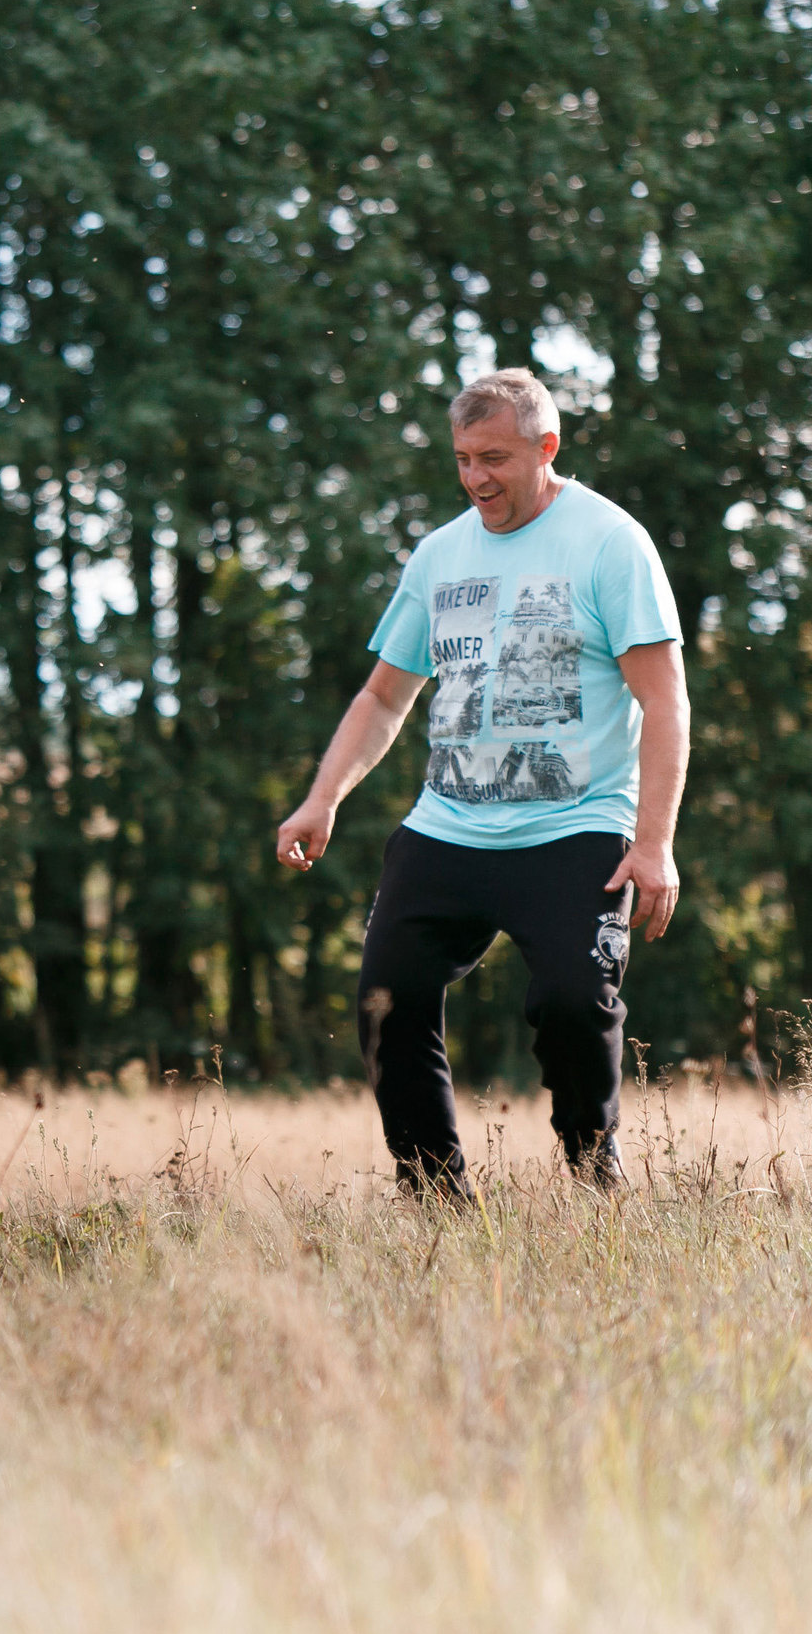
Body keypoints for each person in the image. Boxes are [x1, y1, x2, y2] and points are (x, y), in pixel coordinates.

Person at [275, 368, 689, 1197]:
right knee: (385, 1001)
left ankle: (590, 1173)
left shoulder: (611, 542)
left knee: (575, 1003)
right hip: (449, 826)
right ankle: (434, 1195)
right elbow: (384, 696)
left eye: (494, 458)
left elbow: (664, 698)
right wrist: (323, 798)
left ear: (547, 447)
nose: (476, 479)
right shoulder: (440, 554)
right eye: (463, 459)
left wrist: (654, 843)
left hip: (576, 828)